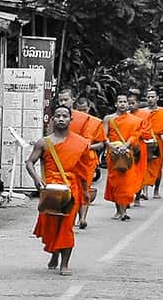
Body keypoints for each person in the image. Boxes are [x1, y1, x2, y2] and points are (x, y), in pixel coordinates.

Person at [25, 104, 95, 275]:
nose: (61, 119)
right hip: (50, 189)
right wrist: (37, 180)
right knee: (51, 225)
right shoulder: (44, 142)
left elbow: (83, 170)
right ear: (52, 119)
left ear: (71, 119)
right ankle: (54, 253)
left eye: (65, 116)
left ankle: (64, 264)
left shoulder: (81, 143)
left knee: (66, 226)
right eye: (58, 116)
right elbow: (29, 162)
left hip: (71, 189)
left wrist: (85, 191)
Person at [60, 90, 105, 229]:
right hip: (67, 158)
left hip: (86, 160)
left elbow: (102, 143)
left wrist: (86, 146)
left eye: (65, 100)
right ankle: (70, 217)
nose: (63, 103)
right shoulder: (59, 119)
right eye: (61, 100)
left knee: (85, 188)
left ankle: (83, 218)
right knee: (69, 189)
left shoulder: (92, 121)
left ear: (72, 100)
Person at [103, 94, 144, 220]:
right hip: (113, 154)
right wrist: (111, 146)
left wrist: (126, 145)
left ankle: (124, 210)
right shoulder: (108, 119)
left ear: (128, 104)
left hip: (127, 154)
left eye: (125, 102)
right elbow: (104, 136)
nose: (122, 104)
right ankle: (118, 210)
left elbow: (135, 135)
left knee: (126, 183)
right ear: (116, 104)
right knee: (115, 183)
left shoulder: (134, 120)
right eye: (120, 102)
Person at [141, 89, 163, 198]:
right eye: (148, 97)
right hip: (144, 140)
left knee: (158, 166)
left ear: (157, 98)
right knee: (144, 165)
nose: (150, 99)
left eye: (152, 97)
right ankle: (144, 191)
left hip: (157, 141)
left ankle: (156, 190)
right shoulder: (142, 112)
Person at [124, 92, 152, 204]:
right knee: (127, 172)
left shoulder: (145, 115)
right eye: (128, 103)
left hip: (140, 147)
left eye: (133, 103)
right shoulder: (123, 116)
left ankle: (137, 196)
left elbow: (147, 132)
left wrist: (135, 134)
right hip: (126, 146)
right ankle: (127, 197)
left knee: (139, 172)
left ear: (138, 103)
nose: (130, 105)